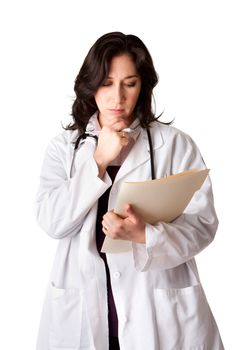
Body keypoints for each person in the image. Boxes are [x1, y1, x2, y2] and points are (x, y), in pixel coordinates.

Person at [35, 31, 224, 350]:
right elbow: (53, 222)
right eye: (106, 83)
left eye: (130, 83)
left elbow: (203, 226)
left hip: (158, 316)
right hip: (84, 312)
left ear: (143, 87)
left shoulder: (175, 146)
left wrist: (145, 235)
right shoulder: (63, 150)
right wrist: (97, 160)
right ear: (90, 85)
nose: (117, 98)